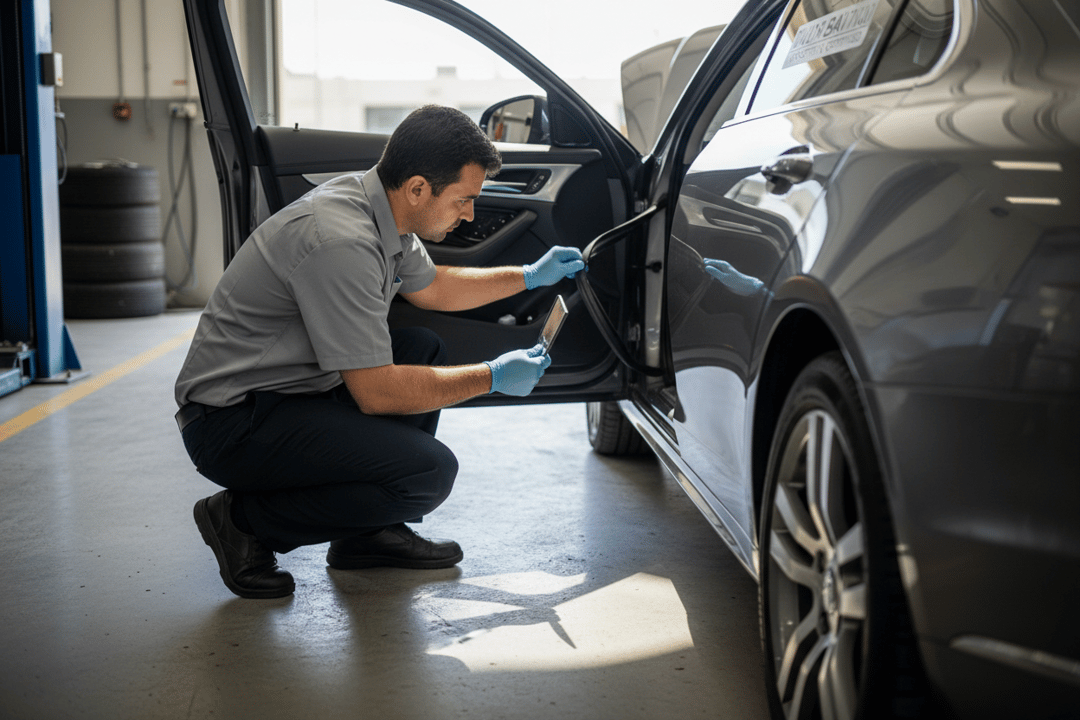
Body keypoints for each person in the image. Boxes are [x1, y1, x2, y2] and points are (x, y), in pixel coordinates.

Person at [174, 105, 584, 599]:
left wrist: (530, 276)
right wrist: (491, 376)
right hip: (231, 423)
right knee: (428, 474)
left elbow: (433, 287)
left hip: (286, 392)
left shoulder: (380, 210)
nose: (470, 214)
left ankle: (366, 534)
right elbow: (376, 393)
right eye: (463, 199)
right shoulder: (340, 240)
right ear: (418, 188)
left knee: (421, 347)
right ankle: (243, 522)